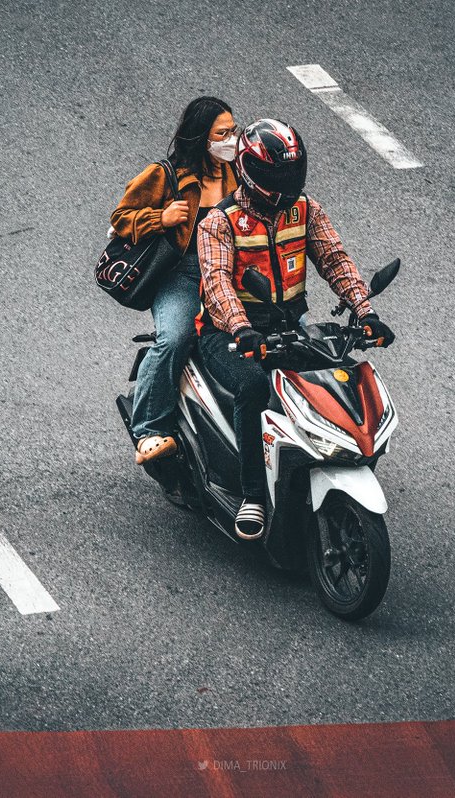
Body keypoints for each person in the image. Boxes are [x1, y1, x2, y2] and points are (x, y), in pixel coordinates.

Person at [196, 118, 396, 539]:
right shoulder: (220, 221)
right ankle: (253, 494)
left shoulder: (305, 209)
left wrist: (364, 313)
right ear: (250, 172)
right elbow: (216, 283)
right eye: (276, 175)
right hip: (227, 334)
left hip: (291, 324)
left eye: (292, 173)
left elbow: (334, 260)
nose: (287, 184)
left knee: (339, 372)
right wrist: (240, 328)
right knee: (254, 388)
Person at [111, 97, 239, 464]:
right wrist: (161, 219)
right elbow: (121, 217)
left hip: (229, 272)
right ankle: (149, 428)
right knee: (174, 338)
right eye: (222, 133)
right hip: (182, 275)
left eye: (233, 131)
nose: (231, 139)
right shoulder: (164, 174)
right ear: (201, 137)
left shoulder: (236, 172)